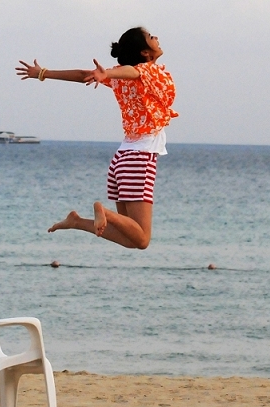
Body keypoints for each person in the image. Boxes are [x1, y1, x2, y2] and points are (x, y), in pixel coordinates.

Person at [15, 27, 178, 249]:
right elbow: (134, 72)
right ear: (144, 52)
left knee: (130, 239)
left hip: (122, 160)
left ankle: (78, 221)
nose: (156, 37)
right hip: (139, 159)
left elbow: (84, 75)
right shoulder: (148, 72)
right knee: (142, 240)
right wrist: (108, 74)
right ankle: (105, 212)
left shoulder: (122, 75)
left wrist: (44, 73)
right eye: (150, 37)